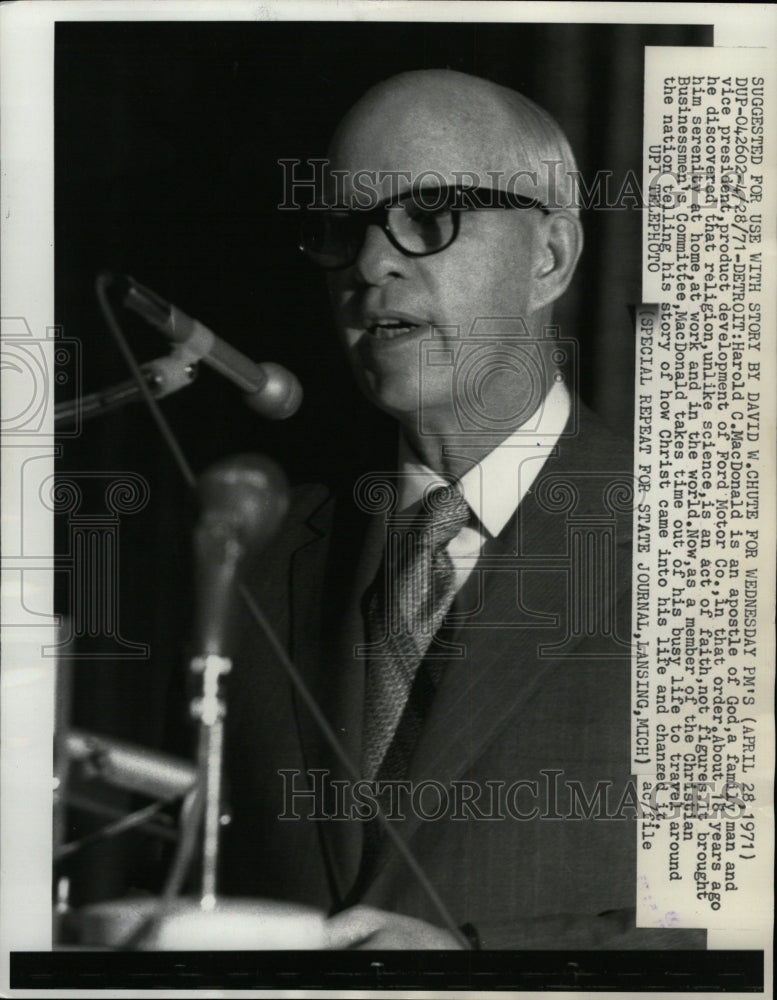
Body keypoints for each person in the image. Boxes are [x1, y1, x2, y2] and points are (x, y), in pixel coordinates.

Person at [221, 69, 705, 950]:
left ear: (549, 258)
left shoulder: (702, 548)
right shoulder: (253, 552)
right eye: (345, 228)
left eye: (430, 214)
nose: (371, 265)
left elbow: (744, 937)